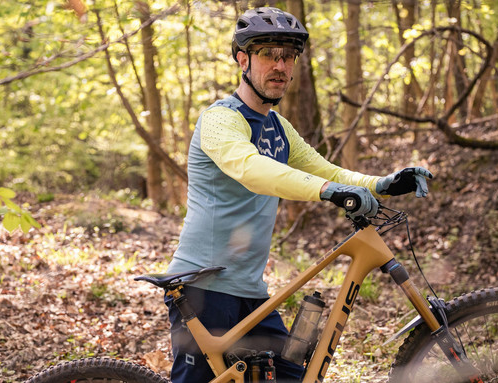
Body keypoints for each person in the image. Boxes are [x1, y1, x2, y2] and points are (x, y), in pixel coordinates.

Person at [164, 7, 433, 382]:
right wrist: (327, 192)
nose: (280, 66)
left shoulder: (278, 127)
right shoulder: (219, 120)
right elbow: (252, 169)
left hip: (251, 291)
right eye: (268, 55)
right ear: (243, 59)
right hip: (202, 288)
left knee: (292, 375)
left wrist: (383, 183)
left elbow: (329, 171)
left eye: (288, 57)